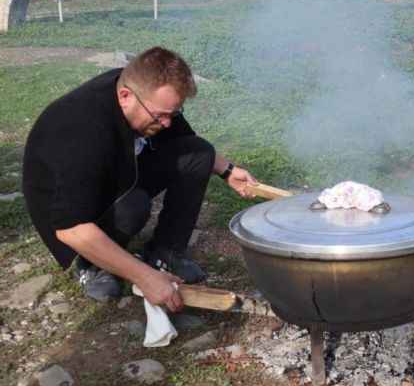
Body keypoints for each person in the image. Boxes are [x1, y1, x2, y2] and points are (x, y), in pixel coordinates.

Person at [23, 46, 257, 311]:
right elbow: (70, 227)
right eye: (161, 115)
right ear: (125, 96)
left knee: (199, 152)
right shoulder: (82, 133)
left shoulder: (143, 93)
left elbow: (183, 141)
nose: (167, 123)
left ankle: (166, 253)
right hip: (68, 213)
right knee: (133, 206)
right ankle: (92, 265)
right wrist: (145, 278)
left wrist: (228, 171)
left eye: (174, 113)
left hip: (116, 173)